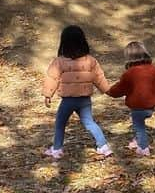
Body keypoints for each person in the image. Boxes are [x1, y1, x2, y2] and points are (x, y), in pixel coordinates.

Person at [42, 25, 113, 159]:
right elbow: (99, 77)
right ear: (83, 42)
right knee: (89, 122)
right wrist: (107, 90)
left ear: (63, 43)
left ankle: (57, 149)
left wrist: (47, 94)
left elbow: (52, 78)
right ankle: (103, 146)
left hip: (68, 101)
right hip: (84, 100)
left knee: (60, 123)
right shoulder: (91, 61)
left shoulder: (59, 62)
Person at [106, 41, 155, 156]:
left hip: (138, 106)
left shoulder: (130, 73)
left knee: (138, 126)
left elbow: (120, 88)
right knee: (139, 124)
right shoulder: (153, 69)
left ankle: (143, 148)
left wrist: (110, 91)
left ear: (129, 57)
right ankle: (137, 141)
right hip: (150, 107)